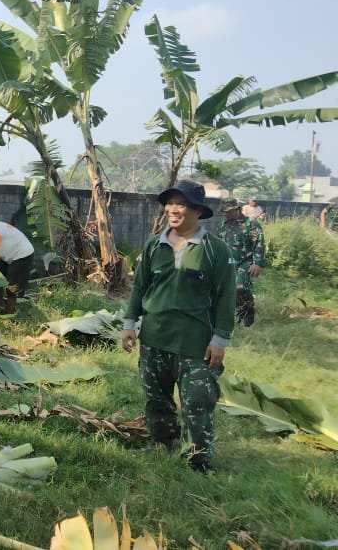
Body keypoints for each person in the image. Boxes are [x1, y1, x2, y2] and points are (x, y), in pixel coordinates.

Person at [121, 180, 236, 473]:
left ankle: (197, 460)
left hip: (195, 344)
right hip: (154, 338)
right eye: (169, 203)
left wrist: (220, 339)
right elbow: (139, 288)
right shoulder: (152, 246)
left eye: (180, 204)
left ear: (197, 210)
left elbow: (226, 296)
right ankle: (163, 444)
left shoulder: (215, 250)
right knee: (156, 400)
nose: (172, 209)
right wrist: (129, 323)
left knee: (198, 403)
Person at [217, 198, 266, 327]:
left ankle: (248, 310)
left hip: (245, 262)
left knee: (240, 287)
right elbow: (217, 245)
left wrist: (258, 263)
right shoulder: (223, 226)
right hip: (226, 264)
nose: (225, 214)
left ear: (237, 209)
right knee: (223, 290)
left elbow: (259, 243)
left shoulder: (251, 224)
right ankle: (238, 310)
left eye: (228, 211)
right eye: (224, 212)